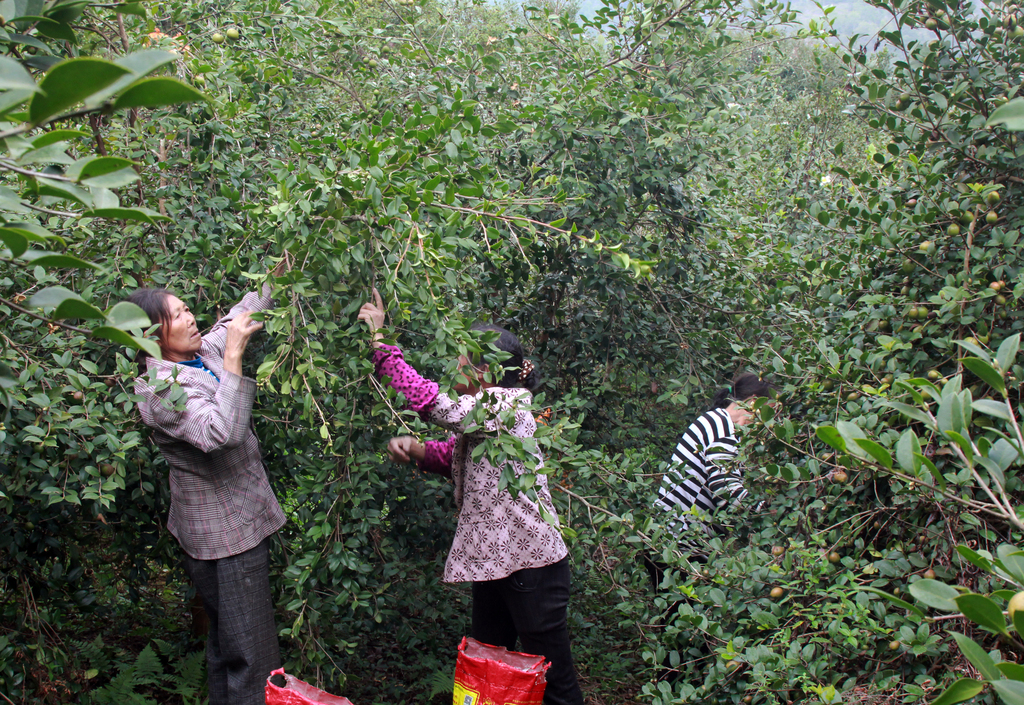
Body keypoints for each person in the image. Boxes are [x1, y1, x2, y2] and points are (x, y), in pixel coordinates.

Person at [357, 290, 585, 705]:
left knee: (556, 685)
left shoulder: (506, 406)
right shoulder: (486, 417)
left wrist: (382, 346)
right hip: (495, 562)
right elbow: (457, 456)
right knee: (486, 669)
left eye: (461, 361)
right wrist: (419, 451)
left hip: (532, 568)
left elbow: (432, 403)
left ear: (486, 373)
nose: (454, 369)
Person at [128, 267, 286, 705]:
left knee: (227, 647)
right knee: (253, 657)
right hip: (225, 539)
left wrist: (286, 268)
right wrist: (235, 357)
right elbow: (221, 434)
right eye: (177, 316)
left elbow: (237, 315)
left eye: (185, 308)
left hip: (230, 530)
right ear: (152, 336)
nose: (190, 317)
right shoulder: (160, 388)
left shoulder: (196, 355)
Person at [649, 372, 775, 588]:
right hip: (681, 547)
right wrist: (770, 510)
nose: (768, 423)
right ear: (754, 402)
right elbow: (726, 493)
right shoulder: (724, 430)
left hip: (665, 539)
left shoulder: (714, 419)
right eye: (769, 413)